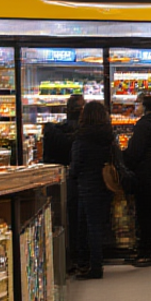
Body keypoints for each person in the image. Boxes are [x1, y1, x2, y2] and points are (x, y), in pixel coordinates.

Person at [69, 101, 115, 279]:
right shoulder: (109, 136)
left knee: (86, 226)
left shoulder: (82, 137)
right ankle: (92, 263)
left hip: (87, 185)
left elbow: (76, 164)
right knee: (96, 226)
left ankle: (92, 266)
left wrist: (72, 174)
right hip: (105, 184)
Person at [123, 93, 151, 267]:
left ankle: (147, 253)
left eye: (137, 104)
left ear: (145, 106)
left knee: (145, 215)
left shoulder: (144, 125)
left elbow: (135, 152)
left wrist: (121, 158)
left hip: (144, 175)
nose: (135, 107)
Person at [43, 94, 84, 275]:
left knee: (59, 220)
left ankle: (62, 258)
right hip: (78, 182)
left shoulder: (53, 132)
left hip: (55, 182)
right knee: (77, 221)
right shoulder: (82, 134)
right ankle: (77, 257)